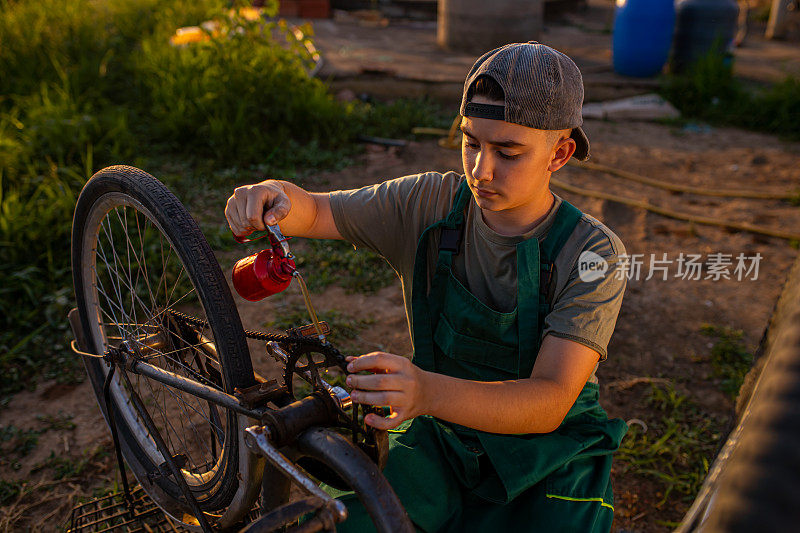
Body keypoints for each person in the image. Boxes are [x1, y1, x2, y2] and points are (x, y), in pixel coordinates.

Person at [225, 42, 628, 533]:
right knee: (351, 523)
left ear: (559, 154)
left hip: (550, 455)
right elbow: (319, 209)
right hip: (442, 438)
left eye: (508, 151)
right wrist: (274, 195)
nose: (481, 169)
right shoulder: (428, 205)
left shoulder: (591, 254)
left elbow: (550, 399)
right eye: (471, 142)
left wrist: (427, 393)